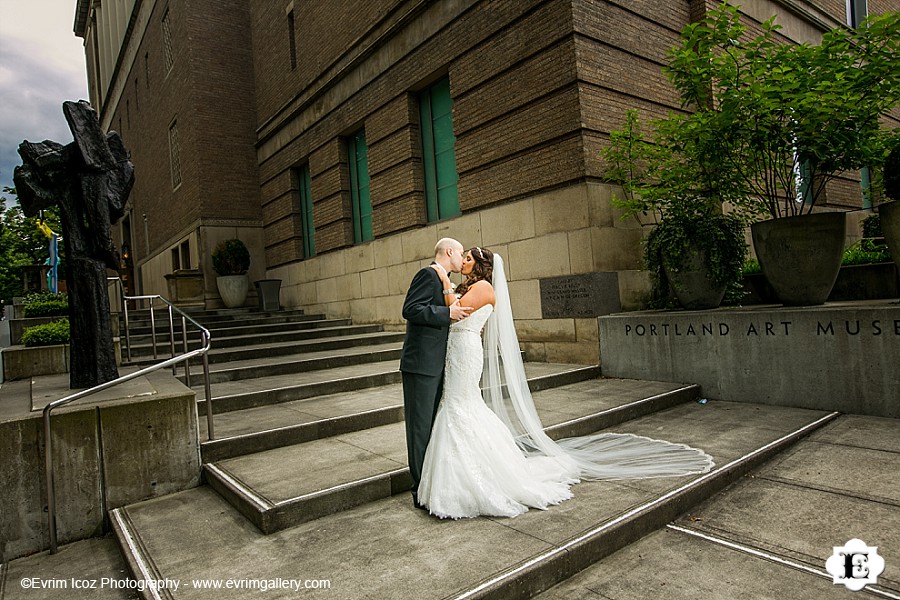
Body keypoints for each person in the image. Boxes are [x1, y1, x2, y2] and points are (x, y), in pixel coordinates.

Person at [417, 247, 715, 519]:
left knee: (462, 405)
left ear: (482, 265)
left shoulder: (483, 287)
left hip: (465, 350)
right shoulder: (474, 286)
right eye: (463, 257)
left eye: (469, 258)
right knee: (459, 404)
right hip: (458, 351)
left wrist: (444, 281)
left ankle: (484, 475)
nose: (463, 262)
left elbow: (456, 315)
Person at [400, 238, 471, 510]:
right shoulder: (427, 274)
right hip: (420, 365)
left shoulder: (443, 279)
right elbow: (410, 309)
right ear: (449, 251)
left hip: (438, 364)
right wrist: (446, 312)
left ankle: (431, 484)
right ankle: (418, 490)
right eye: (461, 252)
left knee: (432, 427)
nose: (462, 258)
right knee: (419, 429)